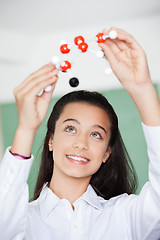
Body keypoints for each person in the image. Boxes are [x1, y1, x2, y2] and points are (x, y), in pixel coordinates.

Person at [0, 27, 160, 240]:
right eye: (70, 128)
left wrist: (142, 89)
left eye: (96, 135)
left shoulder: (128, 216)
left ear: (107, 153)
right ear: (51, 140)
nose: (81, 143)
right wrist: (26, 130)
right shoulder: (23, 221)